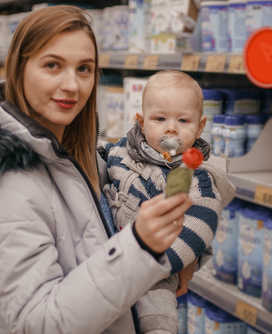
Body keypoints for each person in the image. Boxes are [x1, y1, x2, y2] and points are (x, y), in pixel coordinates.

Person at [0, 6, 198, 334]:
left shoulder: (73, 151)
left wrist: (170, 254)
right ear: (17, 68)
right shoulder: (3, 180)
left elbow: (100, 241)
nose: (72, 85)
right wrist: (141, 248)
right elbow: (38, 323)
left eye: (84, 69)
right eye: (53, 65)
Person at [101, 71, 236, 333]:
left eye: (183, 120)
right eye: (160, 118)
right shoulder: (121, 150)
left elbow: (200, 225)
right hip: (107, 257)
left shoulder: (196, 179)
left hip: (155, 274)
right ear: (141, 122)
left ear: (200, 126)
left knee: (158, 317)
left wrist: (158, 267)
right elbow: (95, 154)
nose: (171, 127)